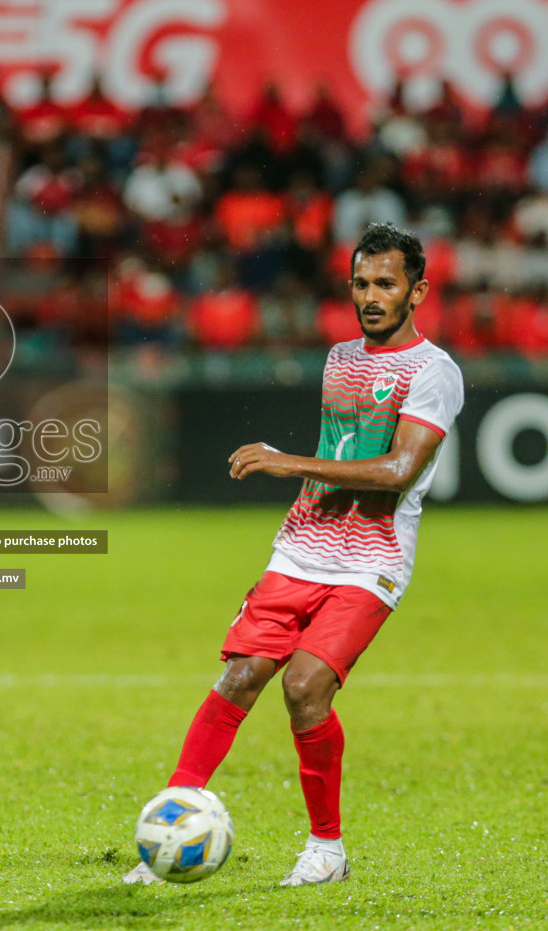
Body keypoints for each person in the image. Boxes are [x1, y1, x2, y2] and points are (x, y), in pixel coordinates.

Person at [124, 222, 464, 887]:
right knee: (241, 677)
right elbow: (343, 451)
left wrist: (286, 463)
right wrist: (300, 476)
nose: (372, 295)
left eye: (386, 284)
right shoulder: (340, 358)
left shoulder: (434, 372)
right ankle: (170, 824)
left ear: (416, 291)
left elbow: (396, 469)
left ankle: (326, 850)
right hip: (301, 548)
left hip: (373, 558)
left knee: (305, 687)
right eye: (362, 283)